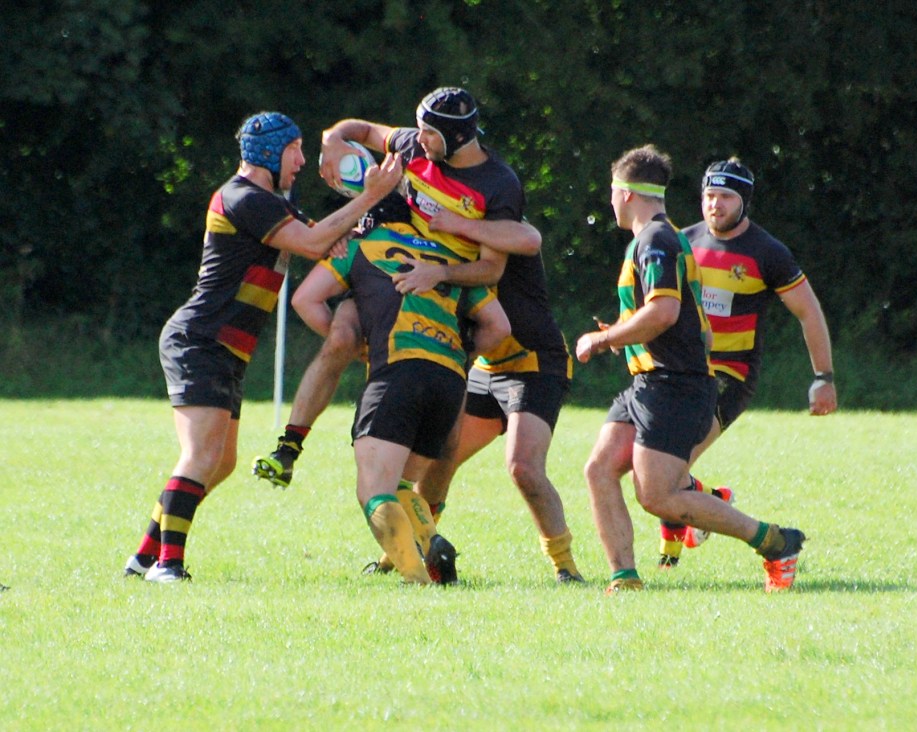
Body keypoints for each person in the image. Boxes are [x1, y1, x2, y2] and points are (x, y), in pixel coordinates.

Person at [254, 88, 583, 582]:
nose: (417, 140)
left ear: (456, 137)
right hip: (464, 337)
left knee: (522, 468)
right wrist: (334, 141)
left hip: (525, 346)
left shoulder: (498, 184)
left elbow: (495, 267)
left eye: (429, 132)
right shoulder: (413, 149)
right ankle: (412, 551)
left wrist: (442, 267)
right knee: (437, 459)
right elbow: (363, 131)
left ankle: (566, 569)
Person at [122, 111, 403, 582]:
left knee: (220, 462)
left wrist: (338, 232)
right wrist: (369, 196)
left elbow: (319, 236)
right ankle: (168, 566)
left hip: (224, 347)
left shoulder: (271, 205)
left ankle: (144, 557)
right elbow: (312, 241)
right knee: (201, 456)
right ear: (270, 152)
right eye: (294, 150)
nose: (301, 162)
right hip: (200, 339)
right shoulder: (244, 197)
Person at [576, 144, 806, 594]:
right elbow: (680, 321)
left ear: (626, 193)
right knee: (599, 469)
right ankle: (625, 578)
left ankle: (776, 542)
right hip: (649, 382)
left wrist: (604, 339)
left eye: (612, 192)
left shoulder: (655, 241)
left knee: (657, 496)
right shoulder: (664, 238)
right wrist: (625, 332)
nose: (610, 201)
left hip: (674, 386)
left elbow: (663, 311)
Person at [656, 158, 837, 567]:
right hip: (681, 371)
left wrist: (823, 377)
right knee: (660, 464)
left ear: (744, 201)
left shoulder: (767, 253)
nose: (714, 204)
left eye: (725, 196)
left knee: (671, 464)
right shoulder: (683, 242)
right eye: (709, 195)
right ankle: (710, 500)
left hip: (730, 375)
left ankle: (670, 557)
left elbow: (808, 312)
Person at [319, 214, 510, 585]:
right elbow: (500, 326)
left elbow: (305, 299)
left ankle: (415, 576)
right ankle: (431, 538)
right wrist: (460, 354)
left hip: (398, 370)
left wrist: (359, 346)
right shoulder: (450, 260)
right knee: (403, 486)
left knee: (374, 489)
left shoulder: (365, 246)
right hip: (449, 381)